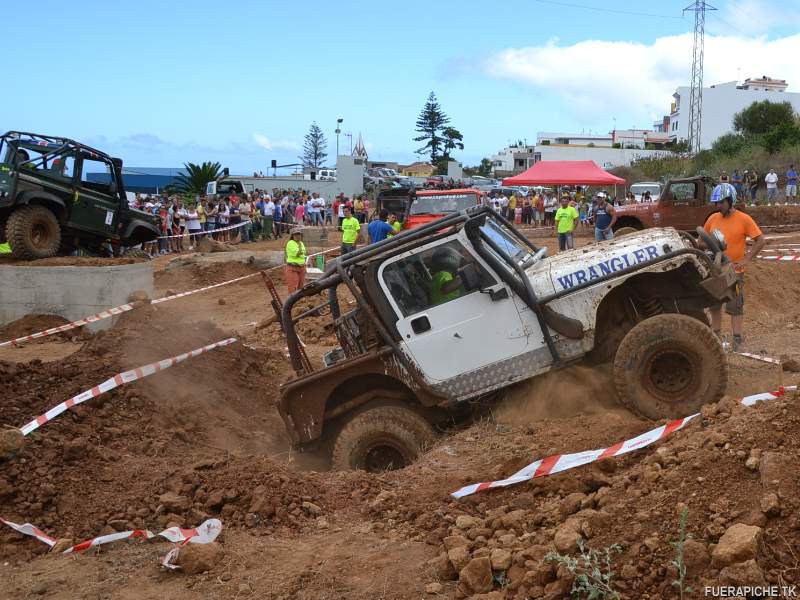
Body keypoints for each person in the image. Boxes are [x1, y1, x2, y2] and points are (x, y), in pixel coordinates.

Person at [703, 187, 765, 351]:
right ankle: (715, 339)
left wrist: (746, 259)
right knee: (714, 305)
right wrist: (708, 242)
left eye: (721, 202)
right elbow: (701, 241)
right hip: (715, 270)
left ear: (730, 201)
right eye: (716, 202)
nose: (718, 206)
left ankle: (737, 340)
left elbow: (760, 240)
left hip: (734, 272)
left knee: (735, 305)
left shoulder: (744, 219)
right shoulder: (712, 219)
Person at [285, 227, 307, 293]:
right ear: (292, 236)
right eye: (296, 235)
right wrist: (301, 252)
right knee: (292, 286)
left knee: (301, 286)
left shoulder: (301, 243)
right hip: (292, 267)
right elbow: (296, 253)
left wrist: (301, 252)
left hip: (302, 267)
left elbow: (303, 252)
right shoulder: (290, 243)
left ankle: (299, 301)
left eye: (299, 234)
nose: (298, 236)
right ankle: (292, 301)